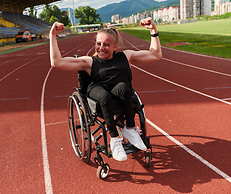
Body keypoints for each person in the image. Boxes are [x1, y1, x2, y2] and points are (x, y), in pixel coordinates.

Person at [49, 18, 162, 161]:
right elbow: (56, 62)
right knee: (104, 96)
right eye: (98, 44)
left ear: (115, 47)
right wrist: (53, 35)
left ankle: (130, 128)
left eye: (106, 45)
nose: (101, 48)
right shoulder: (90, 62)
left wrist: (153, 30)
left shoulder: (126, 57)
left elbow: (156, 55)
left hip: (118, 92)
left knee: (124, 87)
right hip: (97, 91)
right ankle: (114, 139)